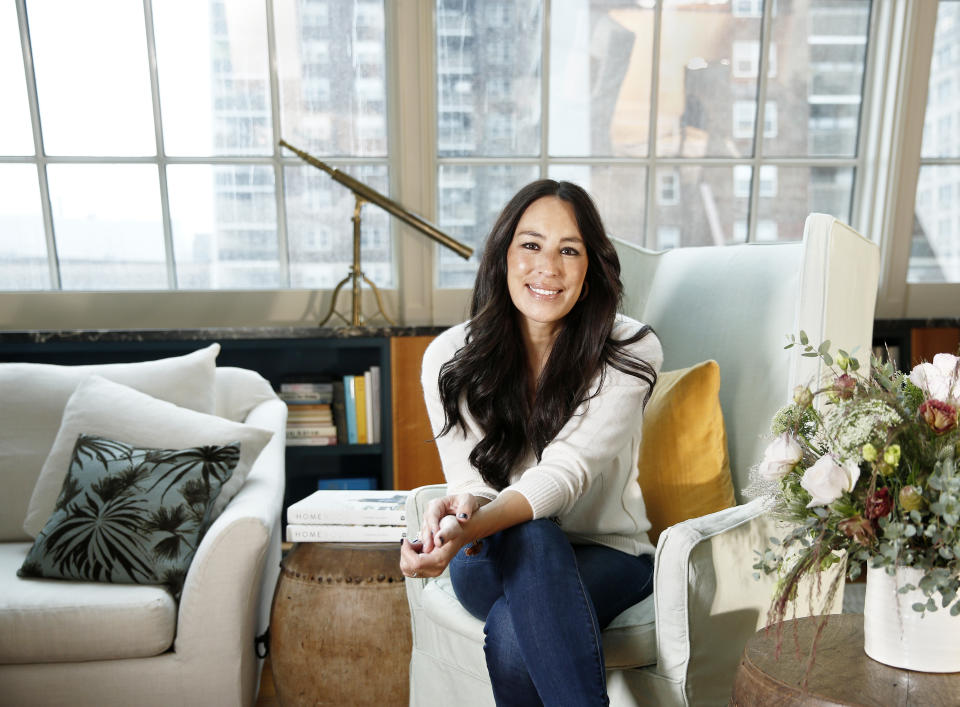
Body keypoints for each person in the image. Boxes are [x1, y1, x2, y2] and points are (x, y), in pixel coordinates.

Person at [399, 179, 662, 706]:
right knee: (532, 537)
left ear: (590, 271)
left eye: (570, 250)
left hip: (608, 553)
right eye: (531, 245)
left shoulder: (629, 349)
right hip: (487, 552)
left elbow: (564, 474)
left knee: (518, 630)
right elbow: (470, 481)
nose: (549, 266)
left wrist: (476, 517)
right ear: (503, 256)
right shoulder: (451, 357)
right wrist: (460, 515)